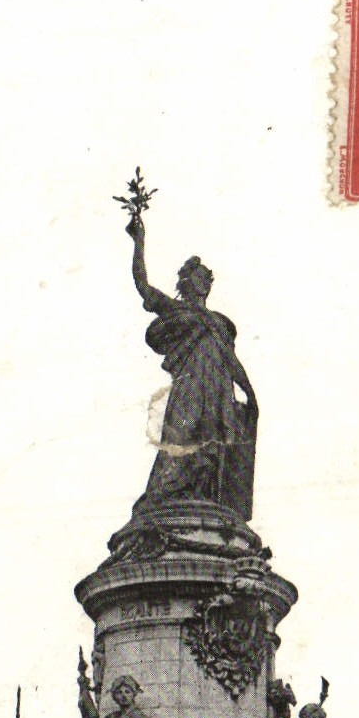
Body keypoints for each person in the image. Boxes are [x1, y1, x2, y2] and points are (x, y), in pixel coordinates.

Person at [126, 211, 258, 520]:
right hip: (190, 385)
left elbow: (231, 360)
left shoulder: (218, 323)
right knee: (181, 437)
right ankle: (167, 497)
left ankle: (202, 498)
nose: (207, 283)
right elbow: (142, 285)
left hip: (217, 389)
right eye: (201, 277)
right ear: (187, 282)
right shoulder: (176, 310)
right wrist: (138, 242)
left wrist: (250, 391)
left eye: (208, 279)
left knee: (214, 447)